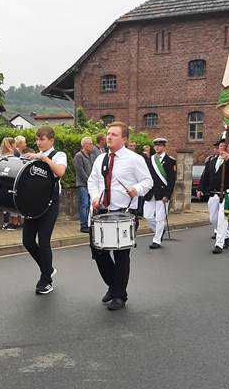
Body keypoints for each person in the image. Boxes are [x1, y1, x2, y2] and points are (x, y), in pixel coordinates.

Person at [88, 121, 153, 310]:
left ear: (124, 139)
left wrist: (136, 189)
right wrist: (94, 197)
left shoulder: (134, 159)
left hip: (124, 213)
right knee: (98, 252)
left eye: (114, 134)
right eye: (108, 133)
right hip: (102, 212)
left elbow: (148, 181)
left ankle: (119, 296)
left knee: (121, 255)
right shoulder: (101, 159)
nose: (109, 137)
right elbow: (93, 181)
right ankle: (114, 286)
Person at [23, 126, 67, 294]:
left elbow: (60, 172)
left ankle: (46, 280)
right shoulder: (35, 156)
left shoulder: (59, 155)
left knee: (43, 241)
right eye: (37, 139)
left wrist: (44, 158)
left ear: (51, 140)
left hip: (50, 204)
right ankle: (47, 268)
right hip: (33, 203)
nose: (38, 142)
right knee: (27, 240)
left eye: (42, 139)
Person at [196, 135, 229, 254]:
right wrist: (200, 188)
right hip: (213, 194)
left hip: (226, 195)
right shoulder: (211, 161)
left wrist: (228, 159)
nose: (222, 148)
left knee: (222, 220)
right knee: (213, 219)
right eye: (221, 146)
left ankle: (219, 244)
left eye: (225, 146)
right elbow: (205, 176)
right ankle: (227, 235)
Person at [143, 137, 177, 249]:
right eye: (156, 145)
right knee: (147, 216)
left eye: (160, 145)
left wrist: (167, 194)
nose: (157, 147)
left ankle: (157, 240)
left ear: (164, 147)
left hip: (162, 193)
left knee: (160, 218)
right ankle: (160, 231)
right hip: (150, 193)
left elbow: (171, 180)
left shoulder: (170, 161)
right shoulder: (150, 160)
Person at [0, 137, 22, 230]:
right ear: (12, 144)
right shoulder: (14, 154)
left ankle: (7, 222)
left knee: (6, 203)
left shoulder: (1, 155)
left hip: (3, 180)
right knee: (13, 202)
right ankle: (15, 223)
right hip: (12, 180)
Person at [74, 136, 95, 233]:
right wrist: (89, 182)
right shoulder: (78, 156)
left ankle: (89, 223)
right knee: (84, 204)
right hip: (82, 184)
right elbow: (80, 171)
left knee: (90, 205)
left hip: (90, 184)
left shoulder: (92, 156)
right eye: (90, 144)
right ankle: (83, 225)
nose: (92, 145)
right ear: (85, 145)